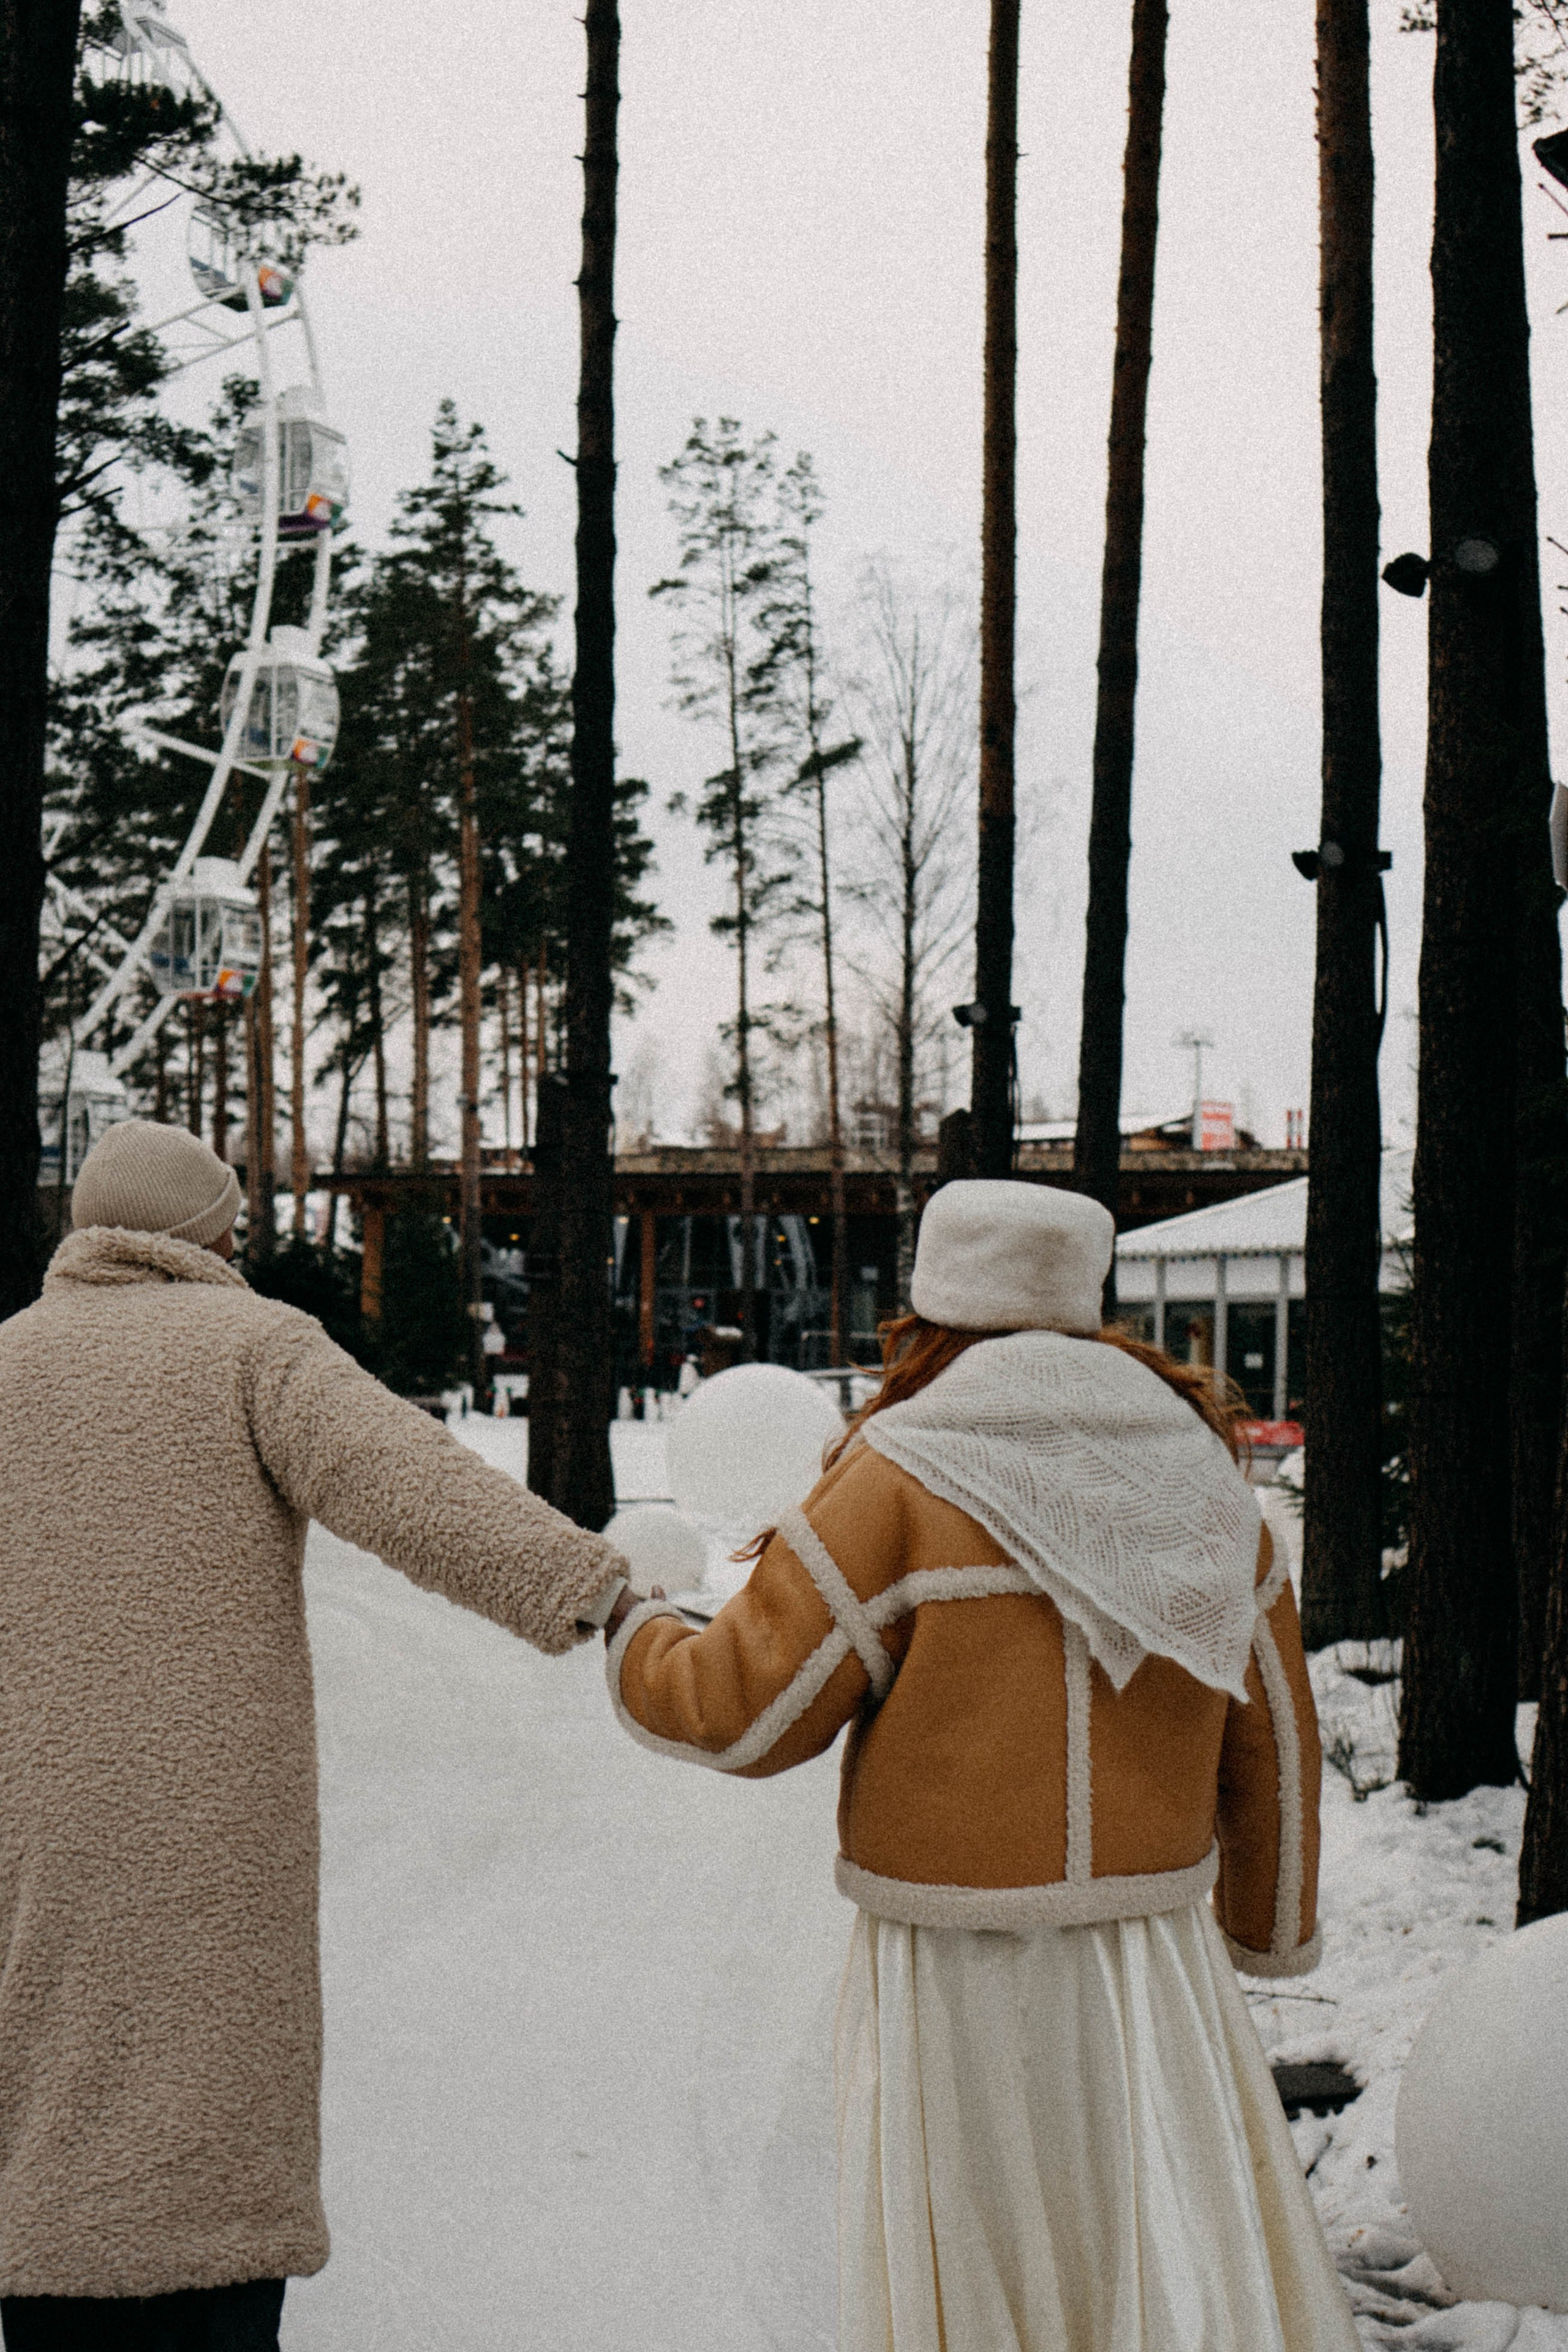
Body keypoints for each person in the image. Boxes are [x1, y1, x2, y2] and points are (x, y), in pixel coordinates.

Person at [608, 1178, 1359, 2352]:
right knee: (1146, 2260)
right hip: (1148, 1966)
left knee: (974, 2262)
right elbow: (1275, 1731)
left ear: (929, 1306)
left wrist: (634, 1629)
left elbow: (741, 1710)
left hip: (952, 1967)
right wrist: (1267, 1927)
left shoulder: (900, 1473)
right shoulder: (1200, 1475)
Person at [0, 1121, 638, 2352]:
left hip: (32, 1817)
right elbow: (421, 1489)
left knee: (46, 2092)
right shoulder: (251, 1348)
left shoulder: (7, 1364)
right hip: (211, 1824)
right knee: (210, 2105)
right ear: (204, 1232)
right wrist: (598, 1594)